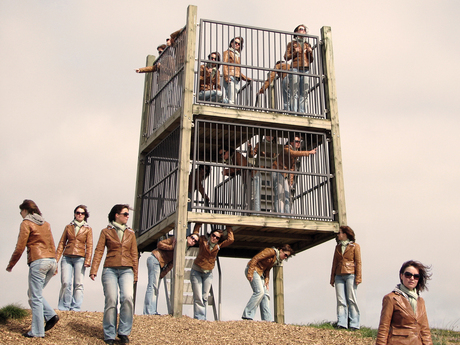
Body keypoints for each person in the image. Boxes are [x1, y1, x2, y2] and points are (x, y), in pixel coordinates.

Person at [6, 200, 59, 338]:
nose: (20, 214)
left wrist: (11, 264)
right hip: (51, 261)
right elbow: (52, 243)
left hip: (39, 262)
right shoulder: (46, 224)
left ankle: (37, 332)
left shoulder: (26, 223)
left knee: (34, 297)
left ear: (26, 210)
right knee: (34, 293)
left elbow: (20, 247)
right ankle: (51, 315)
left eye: (21, 211)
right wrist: (55, 264)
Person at [90, 204, 138, 345]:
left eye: (128, 214)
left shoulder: (131, 233)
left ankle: (123, 332)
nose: (127, 216)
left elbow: (134, 254)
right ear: (116, 215)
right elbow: (99, 250)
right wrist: (94, 269)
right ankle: (109, 334)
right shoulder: (106, 231)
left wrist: (135, 273)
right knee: (111, 299)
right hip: (110, 268)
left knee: (127, 298)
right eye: (125, 214)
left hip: (127, 269)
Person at [376, 260, 433, 345]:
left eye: (416, 276)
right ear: (401, 276)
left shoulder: (420, 301)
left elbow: (425, 331)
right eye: (408, 275)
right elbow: (383, 328)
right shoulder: (391, 298)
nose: (412, 278)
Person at [143, 233, 199, 315]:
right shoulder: (175, 239)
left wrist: (163, 274)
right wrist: (172, 247)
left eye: (195, 241)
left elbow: (172, 263)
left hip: (161, 264)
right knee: (153, 286)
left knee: (155, 287)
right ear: (187, 237)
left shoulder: (184, 250)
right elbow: (160, 244)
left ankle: (152, 310)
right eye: (192, 238)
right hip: (155, 259)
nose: (193, 240)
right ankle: (149, 311)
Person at [190, 223, 234, 320]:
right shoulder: (203, 241)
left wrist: (229, 227)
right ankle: (199, 317)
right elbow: (195, 233)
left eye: (217, 237)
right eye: (213, 235)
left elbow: (231, 240)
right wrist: (199, 223)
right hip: (197, 270)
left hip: (208, 273)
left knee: (205, 296)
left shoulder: (218, 246)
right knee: (198, 296)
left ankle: (203, 317)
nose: (214, 238)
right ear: (210, 235)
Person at [242, 244, 295, 321]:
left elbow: (267, 269)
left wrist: (267, 280)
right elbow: (256, 258)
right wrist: (250, 272)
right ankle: (247, 314)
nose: (285, 257)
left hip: (260, 273)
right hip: (254, 270)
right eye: (285, 255)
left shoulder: (276, 259)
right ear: (281, 251)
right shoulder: (270, 251)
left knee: (265, 295)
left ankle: (267, 319)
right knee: (259, 292)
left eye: (287, 257)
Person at [55, 205, 93, 311]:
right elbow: (62, 243)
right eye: (78, 212)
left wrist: (88, 260)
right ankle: (64, 306)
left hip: (80, 258)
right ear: (74, 214)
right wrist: (55, 260)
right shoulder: (68, 227)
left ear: (85, 215)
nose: (80, 215)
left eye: (82, 213)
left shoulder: (88, 229)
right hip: (67, 257)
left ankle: (76, 307)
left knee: (78, 283)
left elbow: (89, 245)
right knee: (65, 282)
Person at [272, 135, 316, 213]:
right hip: (277, 171)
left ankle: (288, 215)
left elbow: (292, 168)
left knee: (287, 195)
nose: (298, 143)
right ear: (291, 142)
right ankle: (280, 214)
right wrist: (308, 152)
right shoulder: (286, 149)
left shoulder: (295, 155)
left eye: (300, 142)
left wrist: (291, 180)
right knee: (279, 195)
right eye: (296, 142)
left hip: (285, 173)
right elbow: (292, 153)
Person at [330, 226, 362, 330]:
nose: (338, 235)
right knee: (340, 300)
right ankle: (341, 323)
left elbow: (358, 262)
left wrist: (358, 277)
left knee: (351, 299)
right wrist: (332, 278)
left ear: (345, 234)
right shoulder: (337, 247)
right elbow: (334, 263)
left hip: (350, 274)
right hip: (339, 275)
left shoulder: (355, 246)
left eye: (339, 233)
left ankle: (354, 324)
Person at [247, 135, 282, 212]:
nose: (270, 136)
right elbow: (251, 155)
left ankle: (274, 210)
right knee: (259, 194)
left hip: (271, 170)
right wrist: (250, 149)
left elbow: (277, 158)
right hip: (261, 170)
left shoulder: (275, 146)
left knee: (271, 193)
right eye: (268, 134)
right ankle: (258, 212)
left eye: (272, 135)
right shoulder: (260, 144)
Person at [284, 24, 314, 113]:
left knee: (304, 92)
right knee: (294, 91)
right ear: (296, 32)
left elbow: (311, 60)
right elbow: (286, 57)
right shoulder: (292, 44)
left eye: (304, 30)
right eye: (301, 29)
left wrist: (310, 53)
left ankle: (302, 112)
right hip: (295, 68)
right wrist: (294, 52)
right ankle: (294, 112)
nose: (303, 31)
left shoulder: (307, 44)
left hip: (305, 68)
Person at [223, 37, 251, 104]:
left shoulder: (237, 56)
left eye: (239, 44)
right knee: (231, 98)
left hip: (236, 79)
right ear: (231, 43)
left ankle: (223, 102)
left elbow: (237, 70)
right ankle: (221, 102)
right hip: (230, 76)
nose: (237, 45)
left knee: (233, 98)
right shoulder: (227, 52)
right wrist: (226, 76)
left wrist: (246, 78)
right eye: (235, 43)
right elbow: (224, 65)